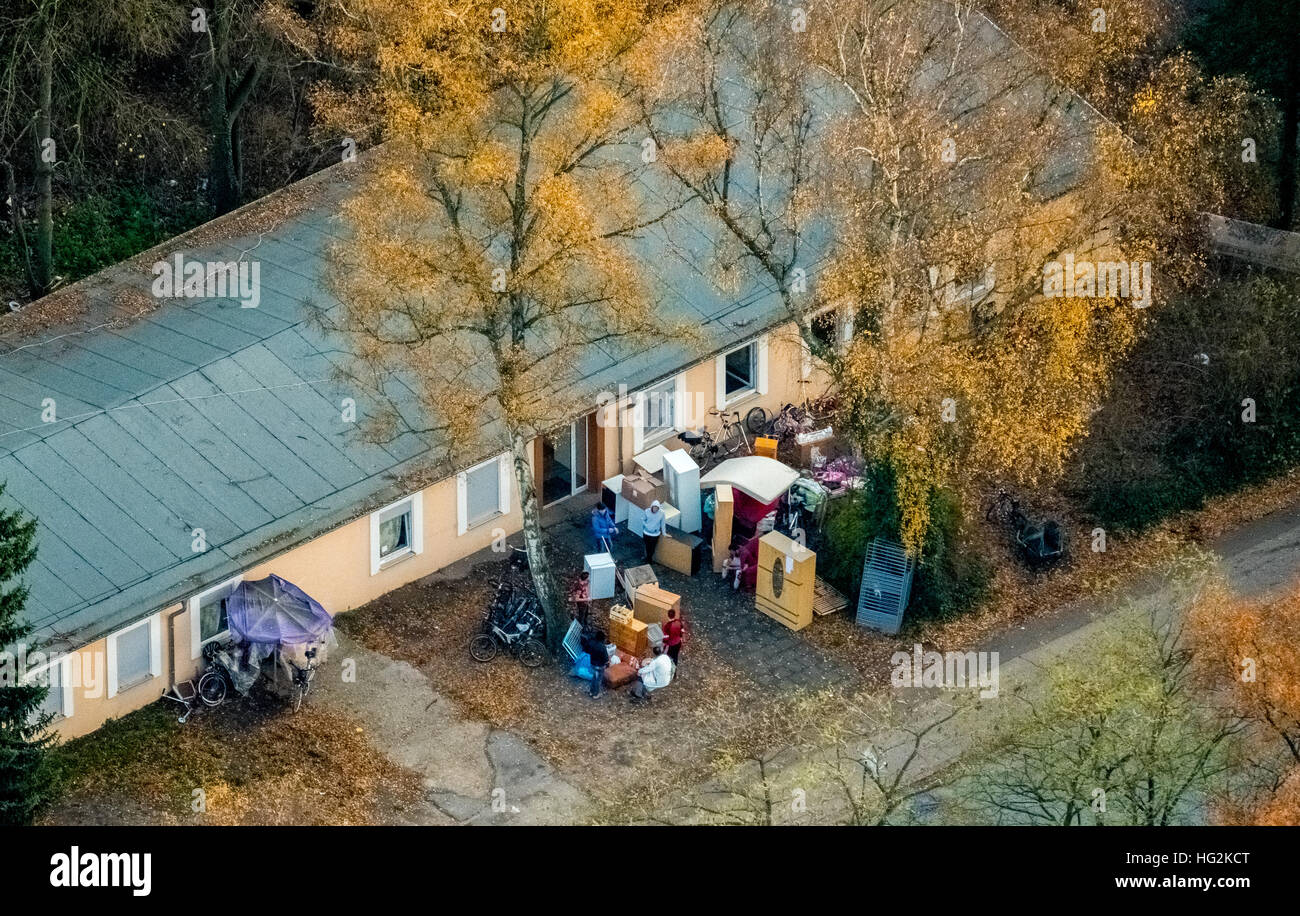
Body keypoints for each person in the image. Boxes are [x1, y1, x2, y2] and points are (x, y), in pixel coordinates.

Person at [579, 627, 610, 698]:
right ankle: (596, 694)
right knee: (598, 680)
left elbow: (586, 649)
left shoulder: (591, 643)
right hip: (599, 666)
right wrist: (607, 663)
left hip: (592, 664)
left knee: (594, 678)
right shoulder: (602, 647)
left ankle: (591, 691)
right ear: (602, 638)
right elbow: (605, 659)